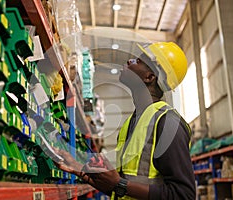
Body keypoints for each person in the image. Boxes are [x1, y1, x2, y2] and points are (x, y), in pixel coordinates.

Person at [53, 42, 196, 200]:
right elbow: (125, 190)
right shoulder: (132, 123)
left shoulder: (168, 123)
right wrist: (80, 169)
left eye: (138, 61)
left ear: (150, 77)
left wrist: (119, 184)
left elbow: (185, 195)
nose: (129, 61)